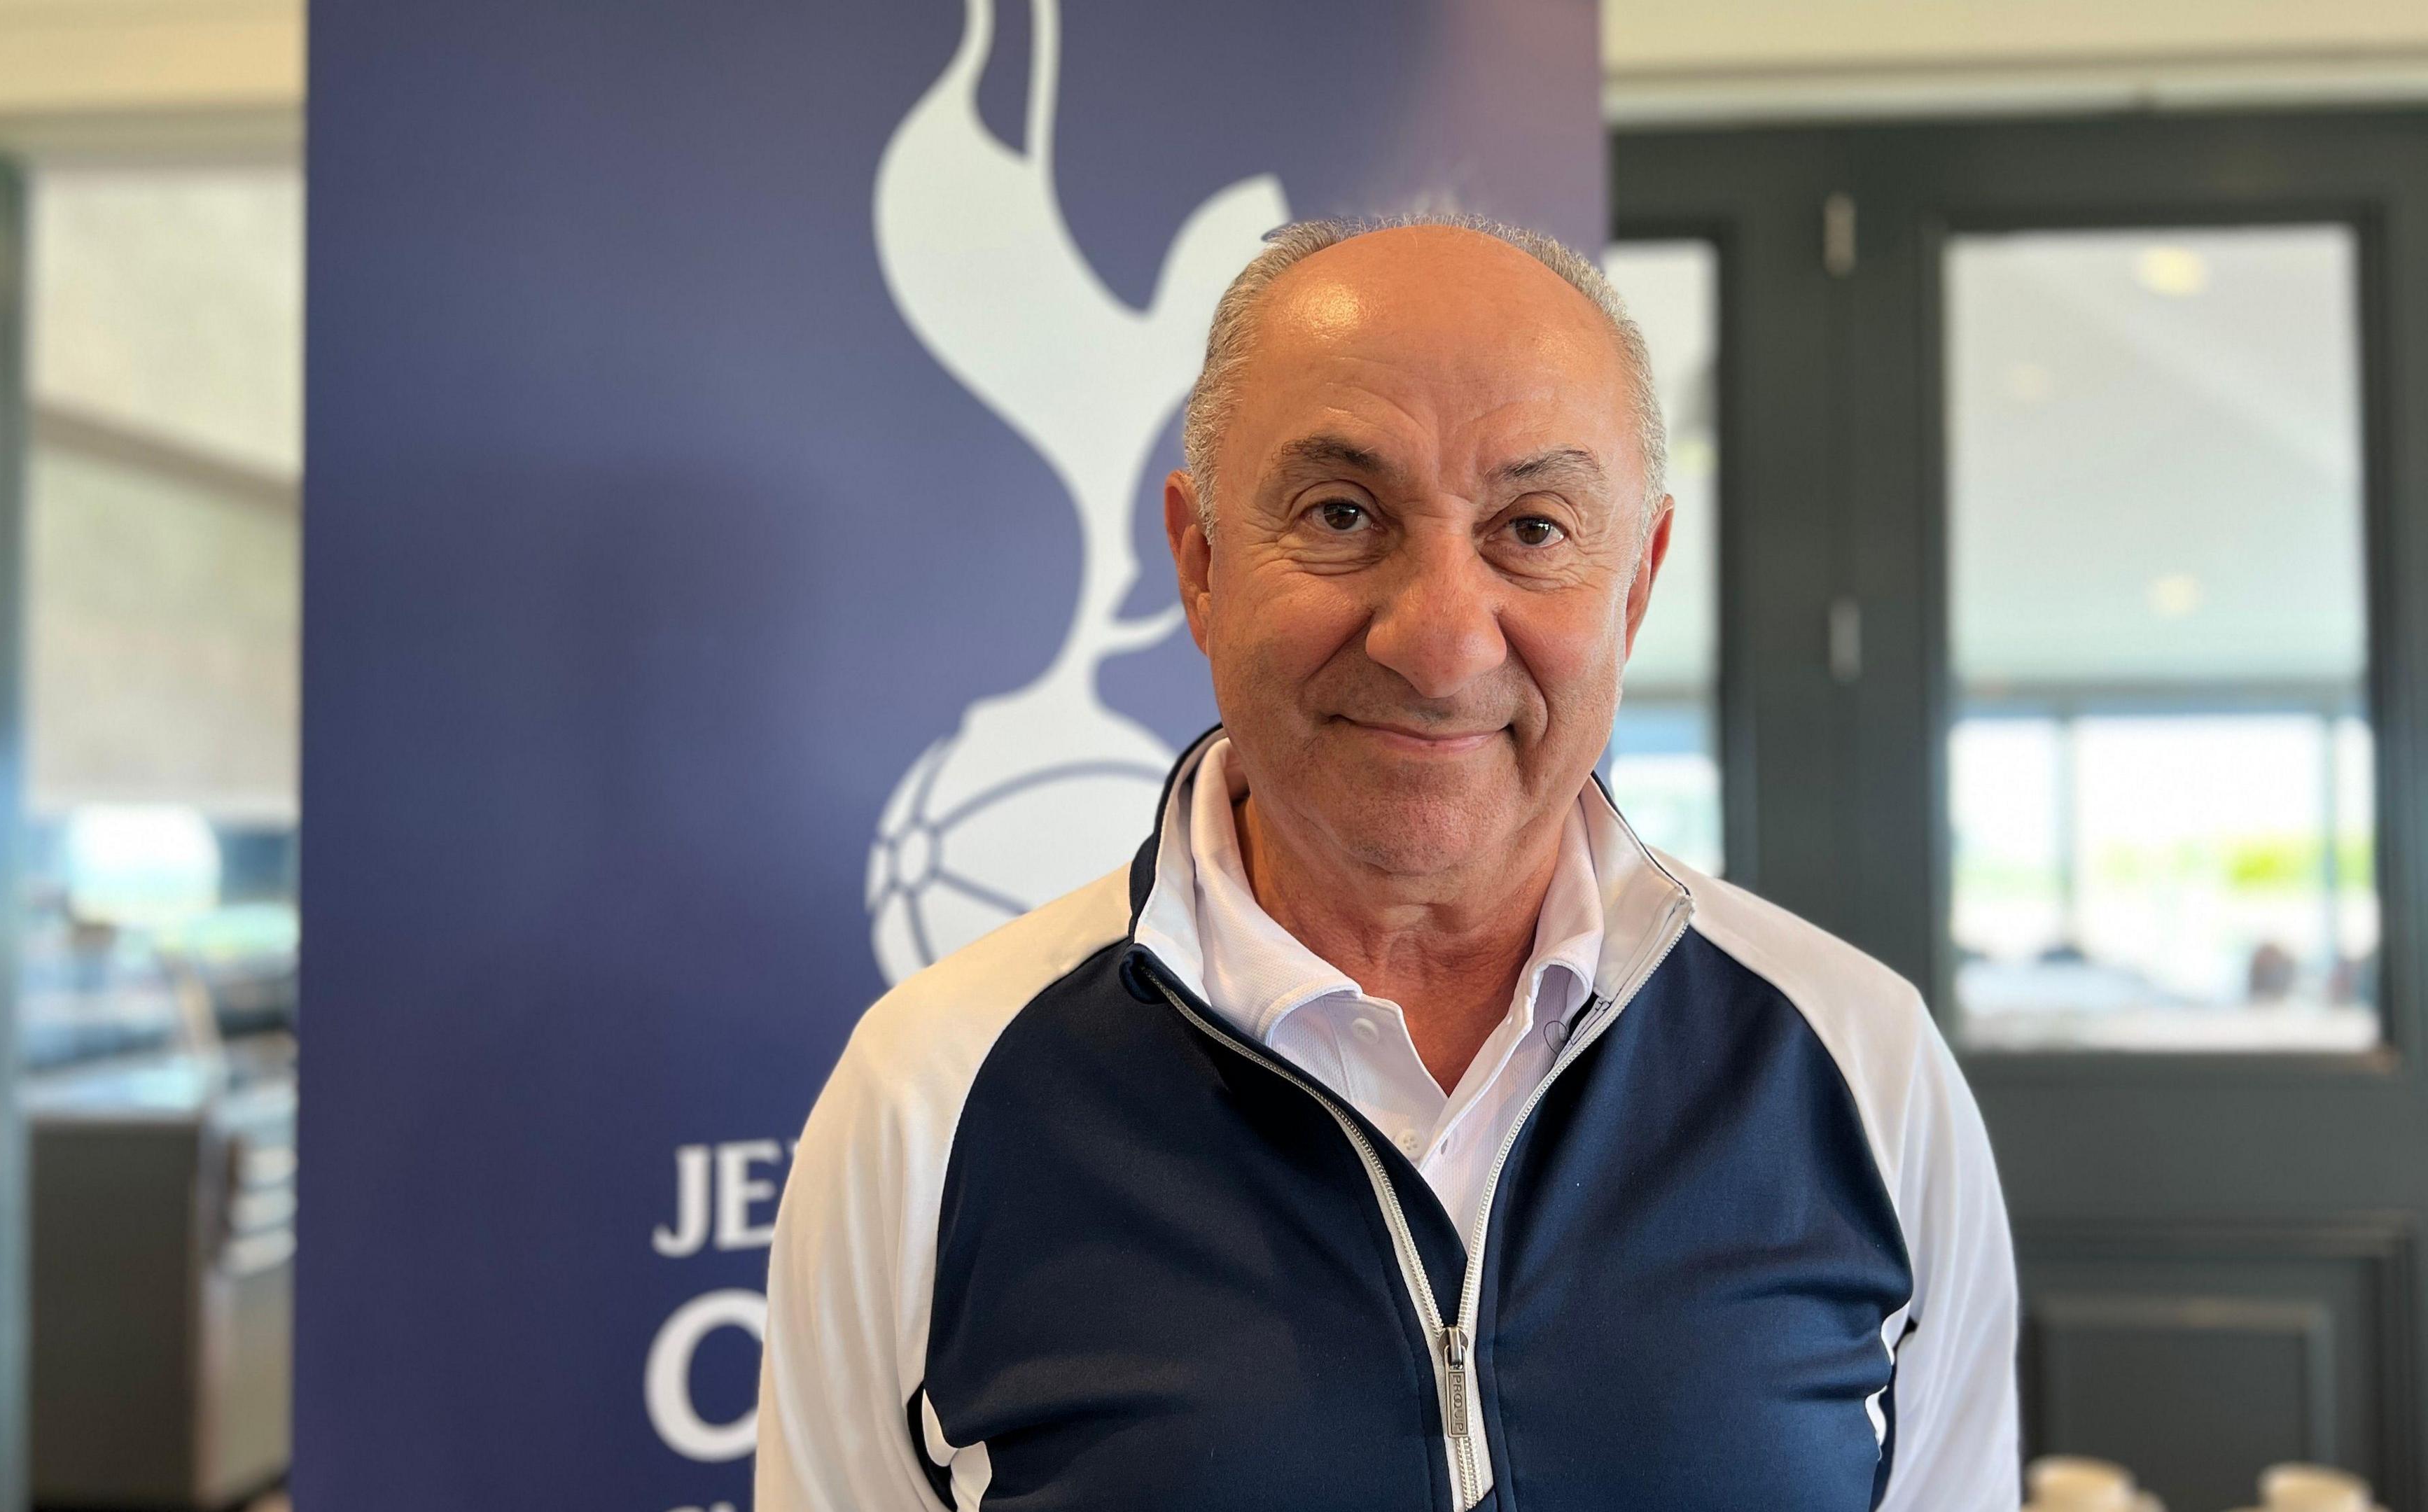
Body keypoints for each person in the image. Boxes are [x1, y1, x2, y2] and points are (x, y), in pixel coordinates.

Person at [756, 214, 2019, 1510]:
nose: (1442, 643)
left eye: (1532, 529)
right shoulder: (933, 1093)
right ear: (1202, 564)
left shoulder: (1863, 1067)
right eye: (1344, 513)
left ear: (1633, 586)